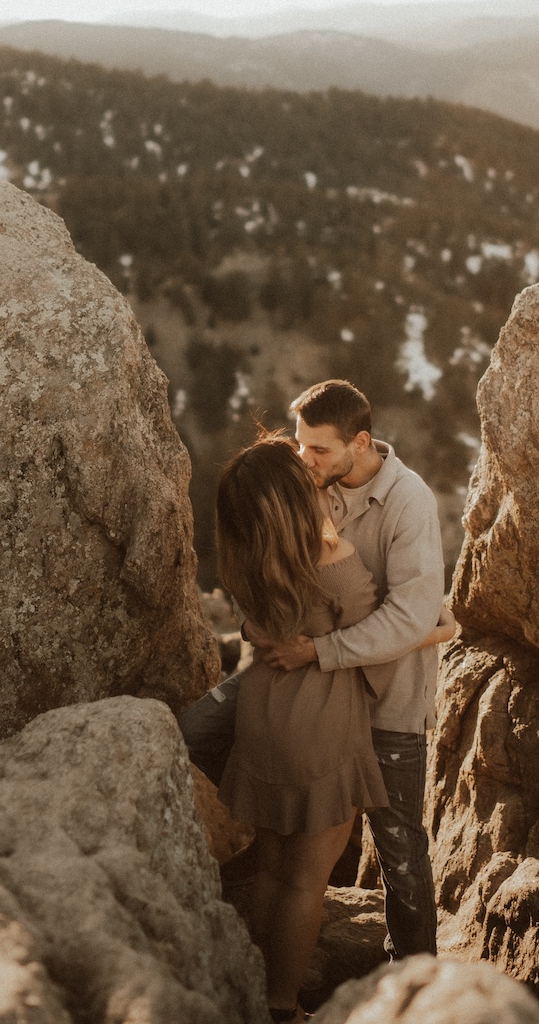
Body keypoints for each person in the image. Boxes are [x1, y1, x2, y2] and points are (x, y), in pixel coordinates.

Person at [180, 380, 448, 963]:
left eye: (319, 450)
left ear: (361, 441)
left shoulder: (409, 502)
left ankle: (414, 980)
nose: (305, 460)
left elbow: (409, 615)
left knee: (399, 850)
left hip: (385, 698)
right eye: (300, 446)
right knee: (189, 733)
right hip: (297, 687)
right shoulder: (306, 485)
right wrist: (263, 628)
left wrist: (319, 650)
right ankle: (274, 839)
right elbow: (275, 571)